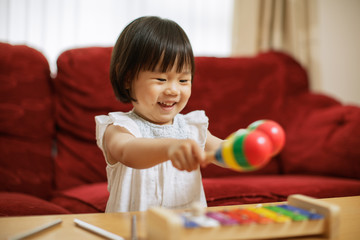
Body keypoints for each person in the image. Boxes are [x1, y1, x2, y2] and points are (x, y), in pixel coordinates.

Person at [95, 16, 223, 213]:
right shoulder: (119, 128)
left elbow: (222, 152)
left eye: (183, 80)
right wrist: (170, 147)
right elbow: (128, 151)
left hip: (185, 231)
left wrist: (244, 146)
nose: (173, 90)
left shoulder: (191, 128)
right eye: (161, 79)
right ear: (128, 79)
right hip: (131, 231)